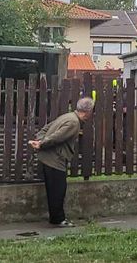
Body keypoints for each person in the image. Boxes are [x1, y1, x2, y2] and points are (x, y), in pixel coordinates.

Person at [29, 96, 94, 227]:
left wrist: (39, 139)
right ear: (88, 111)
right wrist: (41, 144)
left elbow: (47, 128)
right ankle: (58, 219)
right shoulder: (74, 123)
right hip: (55, 160)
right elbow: (57, 137)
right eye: (92, 110)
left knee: (53, 190)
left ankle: (55, 218)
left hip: (48, 158)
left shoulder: (67, 116)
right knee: (58, 191)